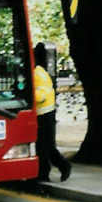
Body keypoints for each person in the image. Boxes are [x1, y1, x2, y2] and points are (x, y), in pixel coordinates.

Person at [34, 43, 71, 182]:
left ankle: (60, 167)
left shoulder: (36, 73)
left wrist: (29, 95)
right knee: (45, 146)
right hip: (47, 112)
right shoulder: (41, 72)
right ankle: (48, 172)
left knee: (44, 147)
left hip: (43, 114)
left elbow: (40, 96)